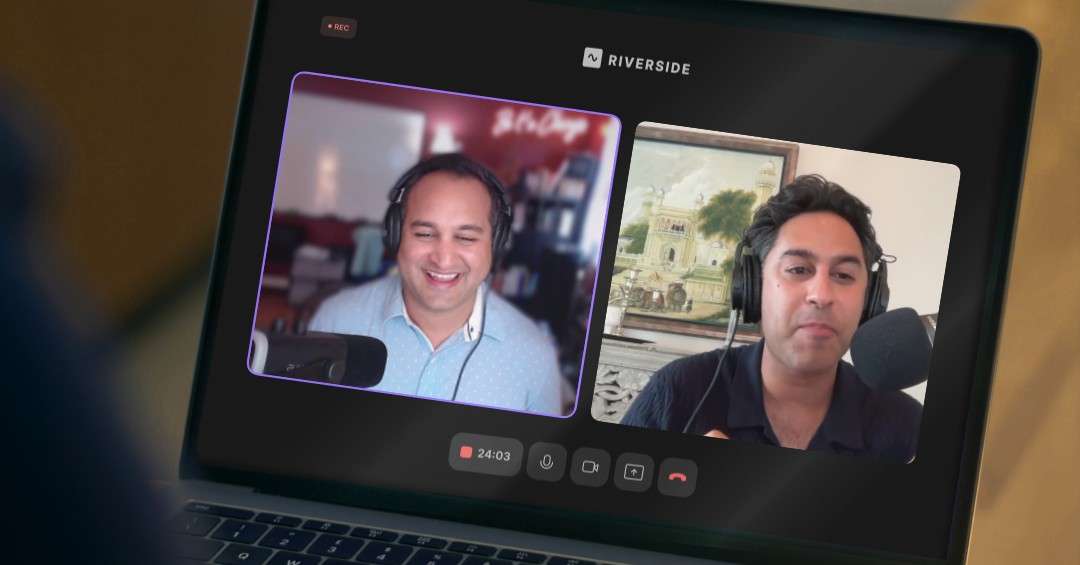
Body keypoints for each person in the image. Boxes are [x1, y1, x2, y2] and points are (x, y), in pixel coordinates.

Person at [621, 175, 921, 462]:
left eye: (843, 275)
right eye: (798, 269)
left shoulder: (907, 428)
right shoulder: (678, 392)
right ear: (752, 287)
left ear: (870, 301)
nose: (821, 295)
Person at [308, 154, 564, 415]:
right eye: (425, 234)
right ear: (395, 235)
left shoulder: (535, 357)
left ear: (496, 245)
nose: (443, 259)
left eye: (465, 237)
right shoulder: (335, 319)